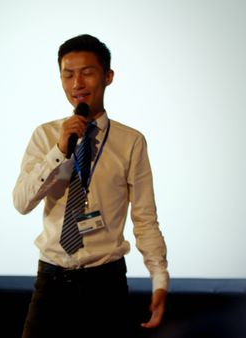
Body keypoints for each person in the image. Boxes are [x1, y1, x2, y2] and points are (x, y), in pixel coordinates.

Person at [12, 34, 169, 337]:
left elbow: (145, 218)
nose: (77, 83)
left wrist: (159, 279)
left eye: (87, 72)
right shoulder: (45, 136)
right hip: (51, 281)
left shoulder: (130, 142)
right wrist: (58, 152)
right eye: (68, 75)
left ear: (108, 76)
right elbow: (21, 202)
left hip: (105, 285)